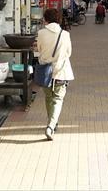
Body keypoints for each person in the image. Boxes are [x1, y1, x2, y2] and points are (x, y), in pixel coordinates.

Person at [35, 8, 75, 140]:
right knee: (57, 99)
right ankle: (51, 125)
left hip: (45, 71)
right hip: (61, 71)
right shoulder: (65, 34)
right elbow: (68, 53)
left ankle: (51, 122)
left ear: (45, 19)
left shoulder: (41, 33)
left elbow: (39, 49)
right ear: (58, 19)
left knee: (48, 97)